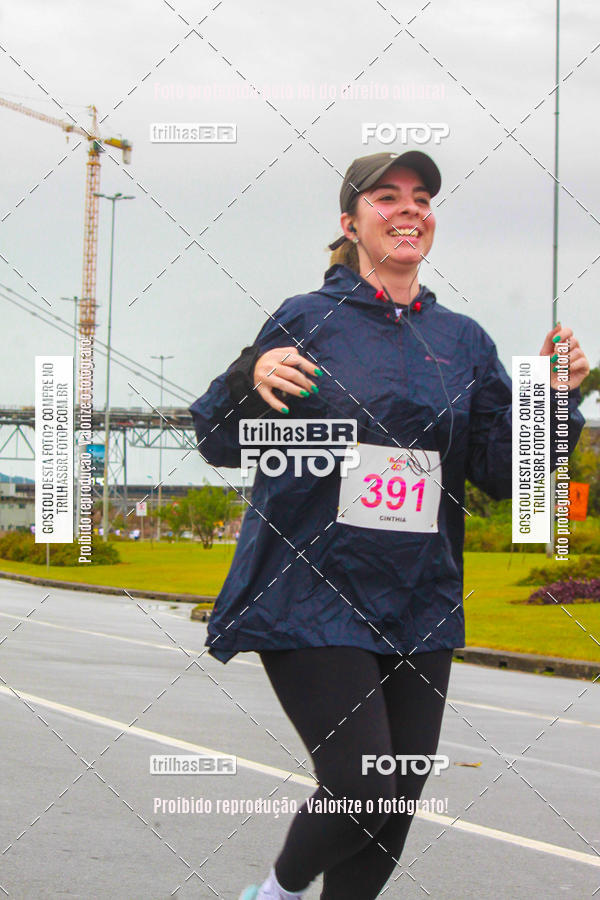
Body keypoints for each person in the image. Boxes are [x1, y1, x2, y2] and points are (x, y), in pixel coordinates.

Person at [189, 150, 589, 900]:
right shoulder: (307, 320)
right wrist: (252, 380)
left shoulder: (462, 341)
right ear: (351, 222)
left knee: (395, 801)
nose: (409, 208)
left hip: (419, 600)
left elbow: (505, 476)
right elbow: (215, 437)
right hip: (312, 591)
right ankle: (273, 896)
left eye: (422, 197)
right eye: (387, 197)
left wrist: (557, 401)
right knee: (364, 780)